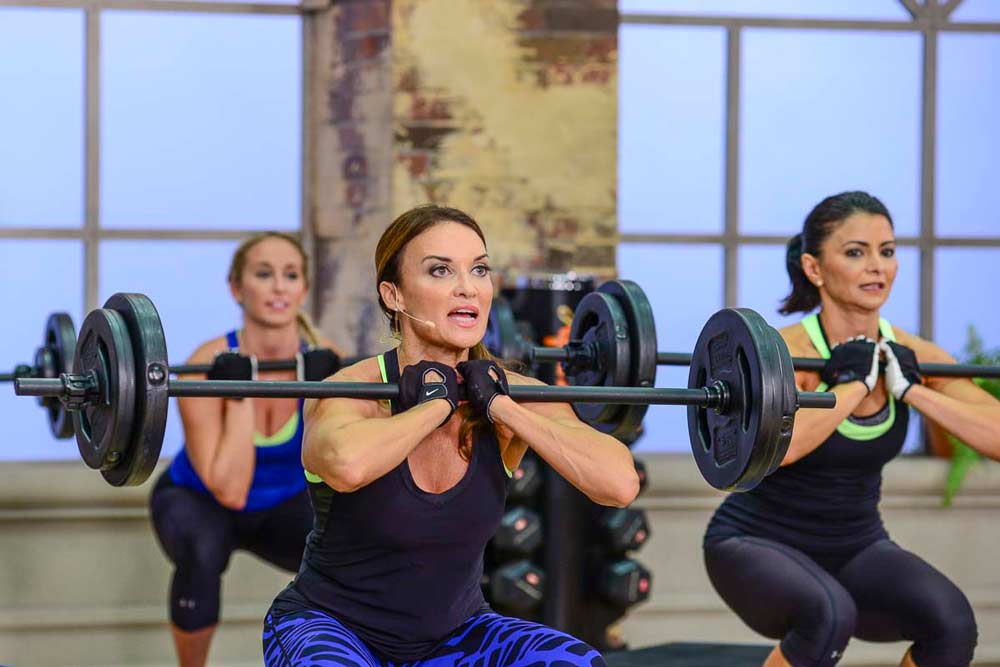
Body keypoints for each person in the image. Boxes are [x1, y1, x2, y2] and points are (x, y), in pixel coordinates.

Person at [261, 204, 640, 667]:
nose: (467, 286)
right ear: (394, 295)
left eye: (478, 269)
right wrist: (436, 405)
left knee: (577, 662)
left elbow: (619, 484)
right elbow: (345, 464)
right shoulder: (349, 390)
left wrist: (499, 406)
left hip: (455, 636)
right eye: (440, 270)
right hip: (331, 625)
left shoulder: (514, 395)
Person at [704, 191, 1000, 667]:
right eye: (855, 252)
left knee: (951, 623)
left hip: (856, 544)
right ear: (814, 268)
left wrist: (913, 392)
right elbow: (778, 449)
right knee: (827, 616)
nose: (876, 267)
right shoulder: (786, 352)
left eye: (886, 251)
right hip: (754, 540)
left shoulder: (912, 353)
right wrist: (852, 387)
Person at [150, 232, 343, 667]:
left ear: (303, 289)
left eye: (290, 275)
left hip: (285, 502)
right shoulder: (204, 369)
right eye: (263, 274)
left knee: (349, 558)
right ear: (237, 288)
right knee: (201, 552)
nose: (278, 287)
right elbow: (231, 492)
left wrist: (325, 393)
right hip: (199, 498)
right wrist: (239, 394)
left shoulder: (329, 363)